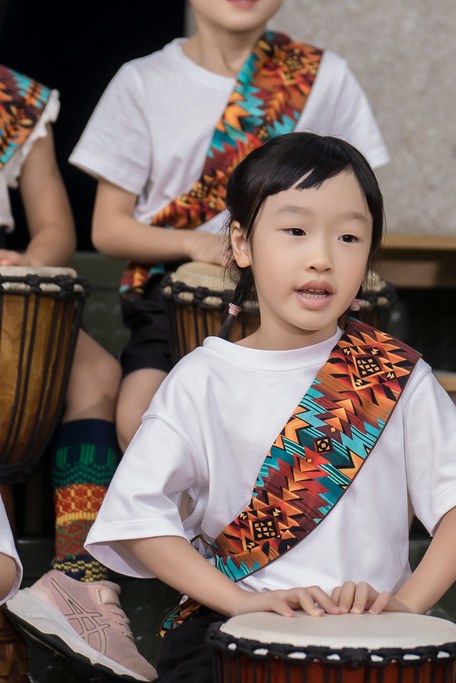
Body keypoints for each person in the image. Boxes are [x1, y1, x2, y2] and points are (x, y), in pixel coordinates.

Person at [84, 133, 456, 681]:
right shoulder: (201, 378)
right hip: (231, 633)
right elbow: (139, 517)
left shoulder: (394, 373)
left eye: (350, 236)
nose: (322, 257)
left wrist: (406, 604)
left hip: (368, 637)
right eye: (295, 230)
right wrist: (236, 602)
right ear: (241, 244)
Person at [69, 0, 390, 451]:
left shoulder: (323, 75)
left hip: (308, 294)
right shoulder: (143, 81)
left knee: (376, 423)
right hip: (173, 297)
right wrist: (197, 245)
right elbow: (108, 229)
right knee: (140, 423)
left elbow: (359, 201)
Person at [0, 64, 155, 681]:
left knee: (94, 371)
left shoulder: (14, 98)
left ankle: (79, 575)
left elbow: (56, 231)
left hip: (3, 294)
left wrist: (25, 266)